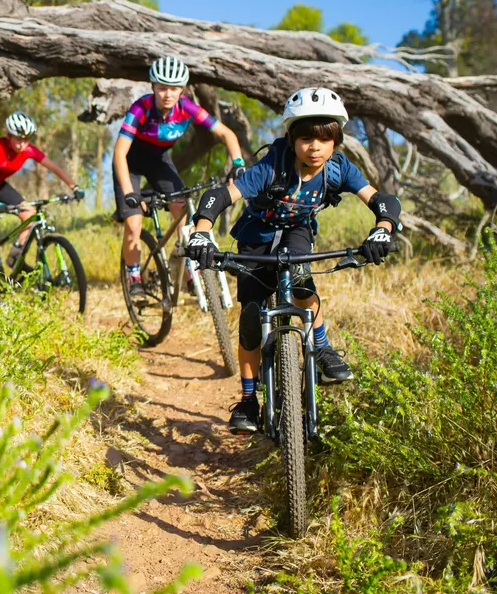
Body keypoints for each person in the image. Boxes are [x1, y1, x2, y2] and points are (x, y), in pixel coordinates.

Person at [184, 87, 401, 434]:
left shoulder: (339, 169)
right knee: (252, 319)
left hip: (298, 231)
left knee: (303, 285)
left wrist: (383, 230)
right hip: (255, 235)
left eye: (324, 140)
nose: (314, 148)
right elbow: (222, 196)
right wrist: (201, 231)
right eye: (304, 139)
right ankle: (248, 398)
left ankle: (323, 349)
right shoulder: (273, 165)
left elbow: (382, 201)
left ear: (336, 142)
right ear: (291, 138)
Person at [113, 55, 245, 296]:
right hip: (129, 162)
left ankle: (188, 273)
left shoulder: (186, 107)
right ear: (153, 86)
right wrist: (130, 193)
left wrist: (237, 163)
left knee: (182, 213)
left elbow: (227, 134)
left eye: (174, 88)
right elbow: (120, 152)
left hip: (159, 161)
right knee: (133, 224)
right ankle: (133, 278)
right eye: (162, 87)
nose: (167, 94)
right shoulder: (141, 108)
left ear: (182, 89)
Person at [0, 111, 84, 270]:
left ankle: (15, 258)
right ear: (8, 136)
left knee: (30, 215)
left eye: (26, 139)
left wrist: (74, 186)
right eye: (18, 139)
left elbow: (54, 168)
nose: (22, 144)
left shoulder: (28, 150)